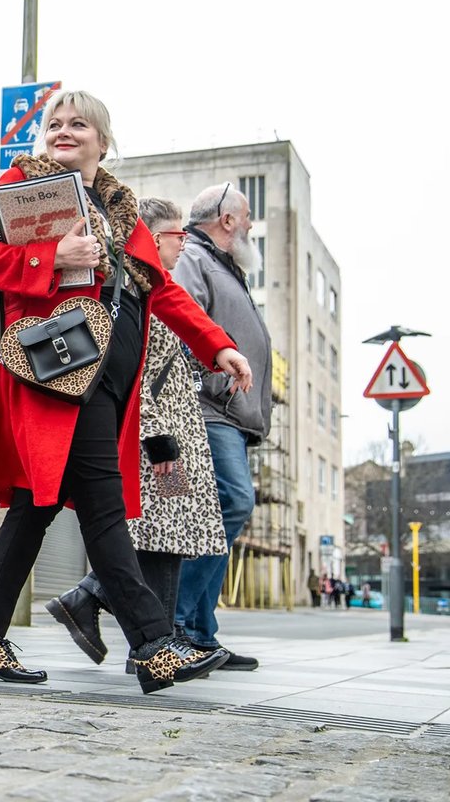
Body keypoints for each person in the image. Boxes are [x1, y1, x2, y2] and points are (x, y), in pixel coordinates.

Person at [0, 91, 250, 694]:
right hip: (57, 376)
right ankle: (154, 646)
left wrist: (216, 344)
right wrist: (52, 256)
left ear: (103, 140)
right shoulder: (25, 184)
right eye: (54, 124)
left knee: (34, 509)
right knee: (104, 510)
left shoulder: (122, 211)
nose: (64, 131)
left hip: (109, 387)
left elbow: (161, 291)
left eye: (78, 124)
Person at [43, 198, 228, 672]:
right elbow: (143, 379)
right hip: (162, 447)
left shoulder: (158, 289)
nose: (182, 244)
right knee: (163, 535)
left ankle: (106, 612)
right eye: (174, 236)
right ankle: (148, 640)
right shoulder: (143, 295)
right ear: (150, 237)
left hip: (176, 440)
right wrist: (161, 441)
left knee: (170, 534)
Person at [171, 182, 274, 671]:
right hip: (213, 408)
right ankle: (172, 622)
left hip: (233, 414)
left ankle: (201, 634)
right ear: (227, 219)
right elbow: (180, 319)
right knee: (233, 502)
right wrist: (214, 372)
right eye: (247, 215)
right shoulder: (195, 256)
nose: (251, 224)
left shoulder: (225, 264)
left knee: (217, 520)